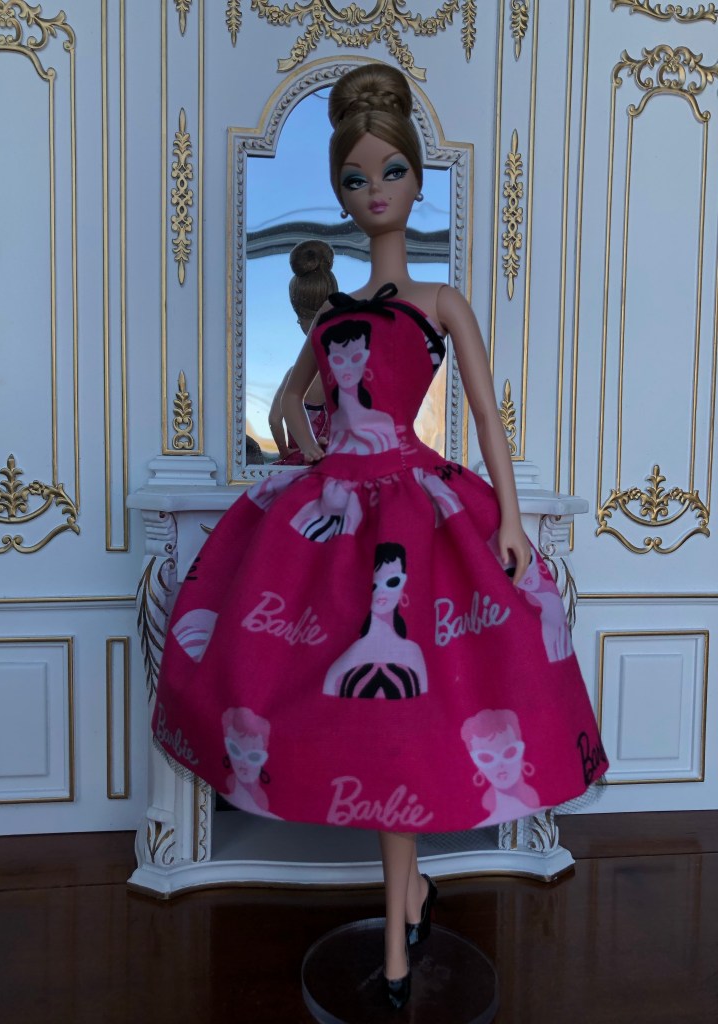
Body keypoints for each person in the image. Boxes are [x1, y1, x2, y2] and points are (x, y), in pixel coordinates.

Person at [153, 63, 608, 1010]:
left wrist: (509, 516)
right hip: (342, 516)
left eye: (390, 172)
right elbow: (290, 409)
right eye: (356, 179)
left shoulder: (439, 305)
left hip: (419, 511)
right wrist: (318, 456)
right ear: (341, 193)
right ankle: (409, 908)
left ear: (415, 180)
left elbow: (487, 418)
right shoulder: (335, 318)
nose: (374, 192)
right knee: (359, 717)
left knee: (415, 717)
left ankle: (404, 929)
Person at [269, 240, 337, 464]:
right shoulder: (343, 370)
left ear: (301, 318)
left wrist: (284, 451)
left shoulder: (294, 375)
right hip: (337, 458)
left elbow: (274, 420)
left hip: (301, 460)